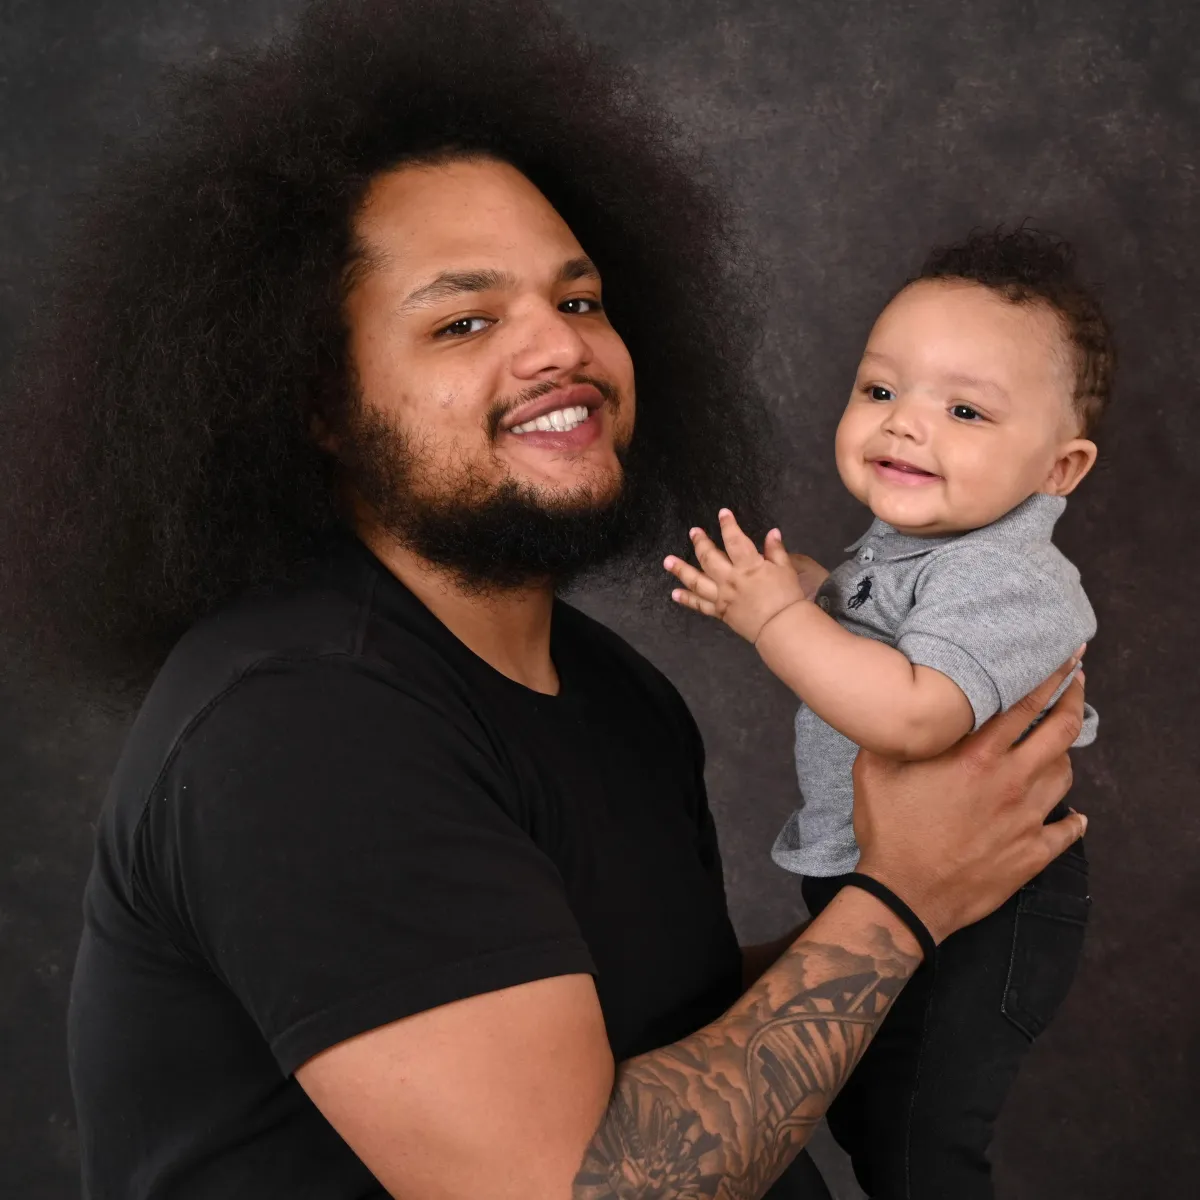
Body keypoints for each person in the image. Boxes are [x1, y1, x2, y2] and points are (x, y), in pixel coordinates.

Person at [0, 2, 1087, 1197]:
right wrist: (900, 902)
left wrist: (953, 900)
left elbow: (648, 1042)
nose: (559, 350)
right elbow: (574, 1186)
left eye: (577, 302)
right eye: (465, 322)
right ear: (311, 400)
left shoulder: (616, 693)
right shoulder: (299, 726)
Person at [665, 226, 1111, 1197]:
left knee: (918, 1145)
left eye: (963, 409)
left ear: (1060, 470)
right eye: (880, 391)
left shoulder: (1009, 575)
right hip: (889, 873)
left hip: (989, 901)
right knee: (864, 1113)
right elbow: (883, 645)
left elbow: (916, 717)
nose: (906, 424)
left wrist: (775, 619)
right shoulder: (921, 550)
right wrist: (815, 587)